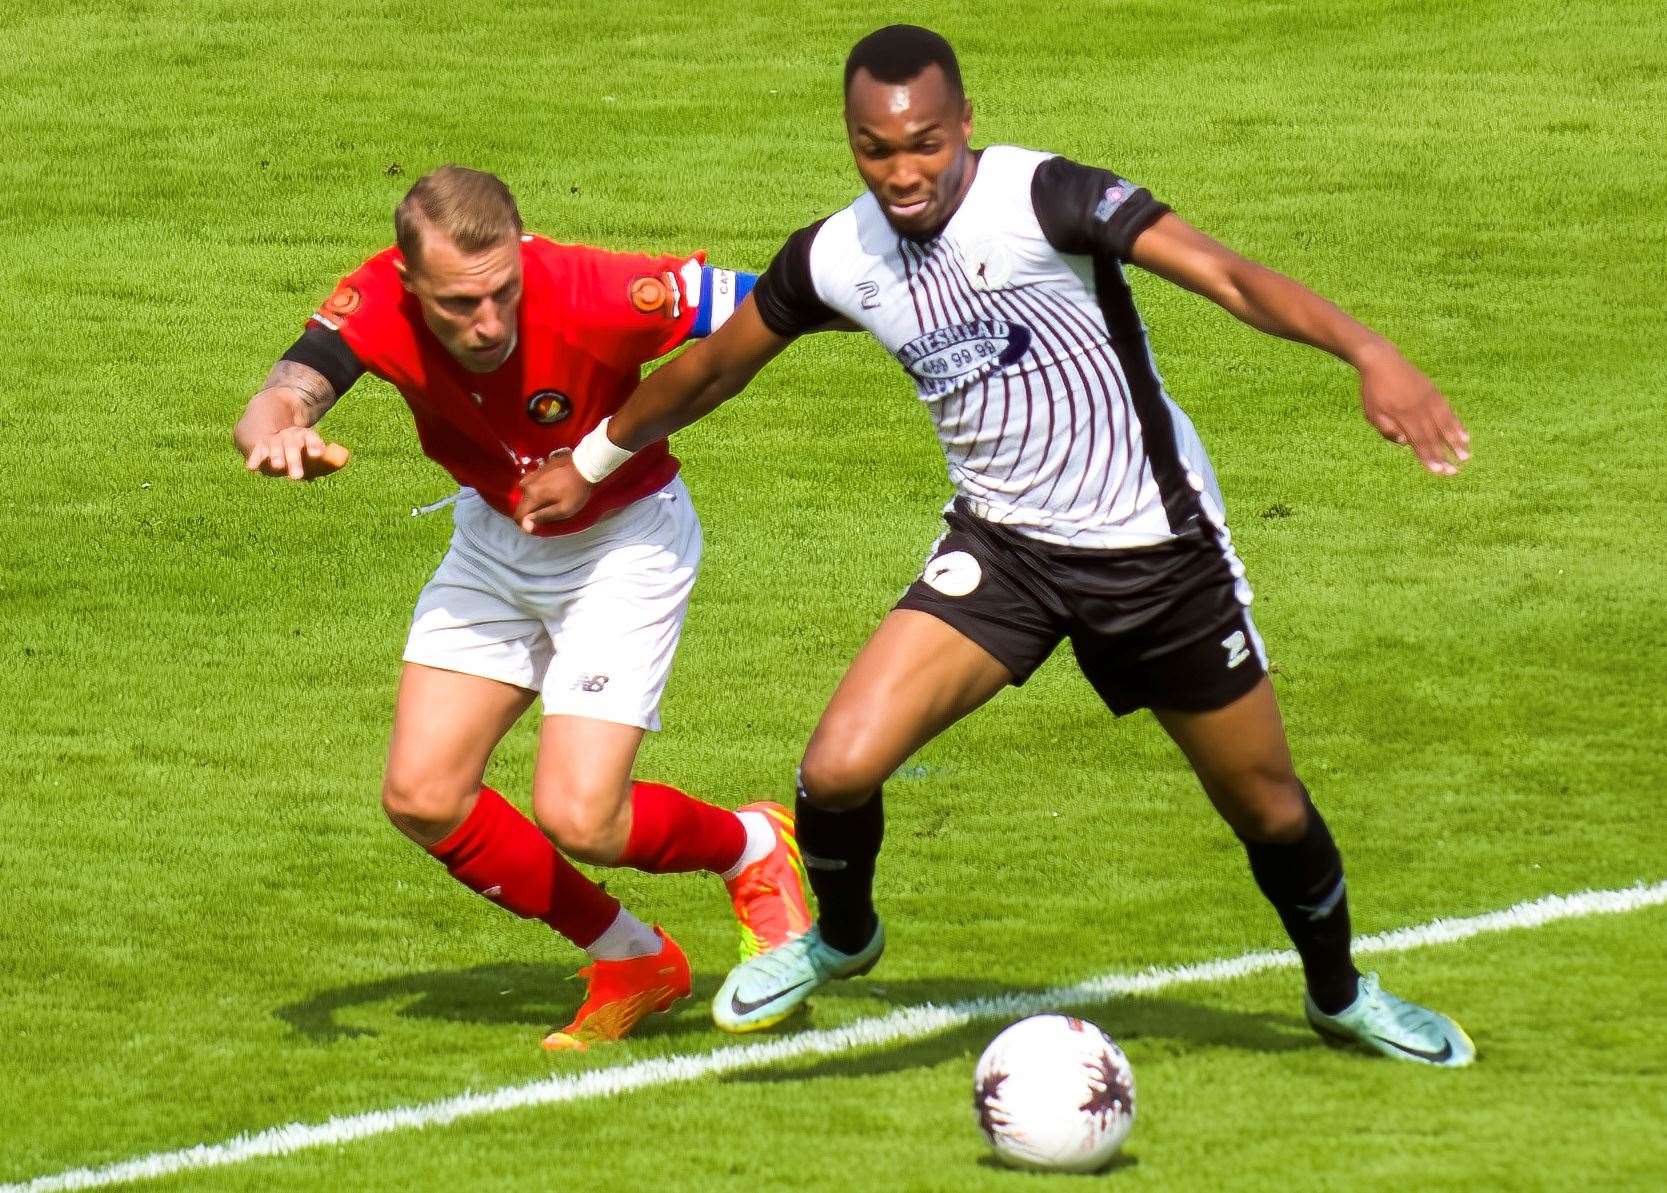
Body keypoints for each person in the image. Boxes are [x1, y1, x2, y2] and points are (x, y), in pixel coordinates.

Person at [519, 27, 1477, 1065]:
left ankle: (1339, 993)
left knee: (1264, 805)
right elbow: (710, 370)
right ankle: (839, 939)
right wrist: (593, 459)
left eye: (924, 144)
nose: (902, 172)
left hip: (1152, 554)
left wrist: (1368, 352)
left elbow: (1227, 277)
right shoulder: (838, 254)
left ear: (965, 123)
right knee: (835, 769)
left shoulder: (1048, 199)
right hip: (1004, 550)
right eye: (875, 150)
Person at [232, 165, 810, 1052]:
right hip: (495, 538)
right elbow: (289, 387)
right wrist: (276, 429)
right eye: (460, 305)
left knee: (584, 817)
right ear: (409, 281)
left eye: (502, 291)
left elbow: (780, 297)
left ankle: (750, 845)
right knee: (423, 796)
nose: (489, 322)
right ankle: (635, 959)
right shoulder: (372, 299)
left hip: (623, 544)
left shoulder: (597, 289)